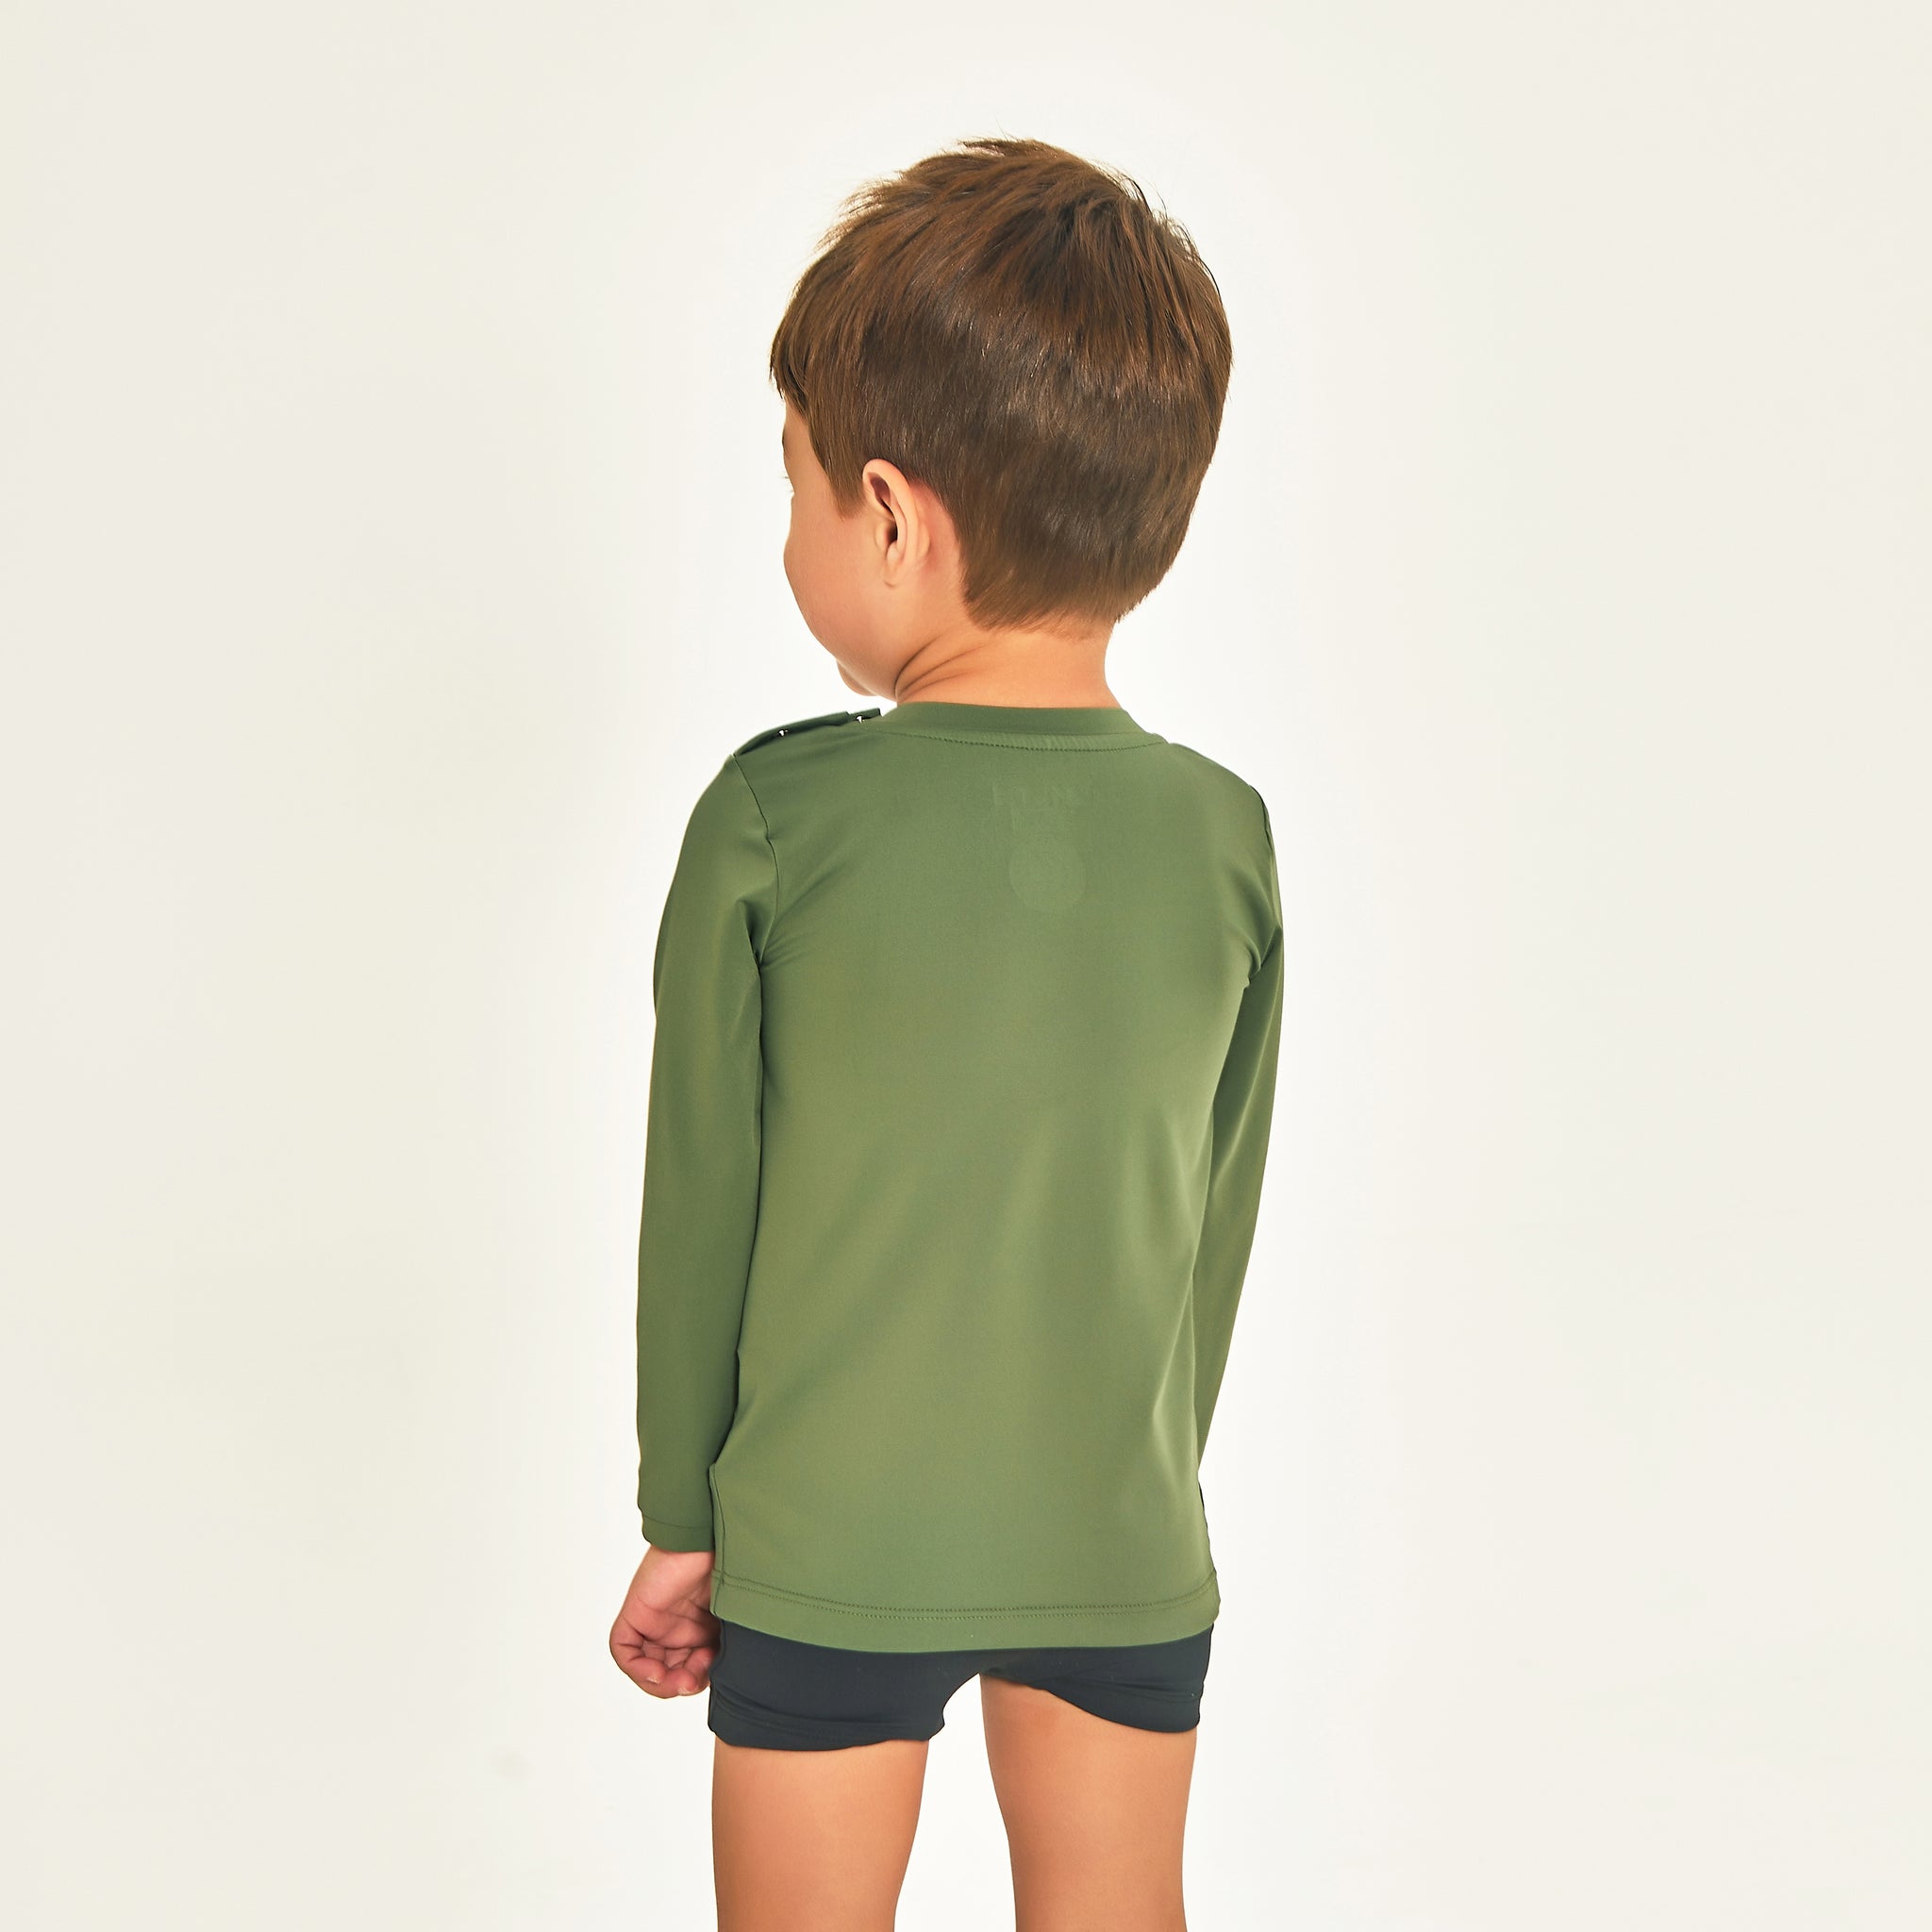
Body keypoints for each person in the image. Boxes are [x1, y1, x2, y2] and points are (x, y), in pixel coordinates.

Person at [608, 135, 1284, 1932]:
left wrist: (685, 1515)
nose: (793, 537)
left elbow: (702, 1204)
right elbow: (1210, 1223)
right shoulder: (1225, 836)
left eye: (799, 491)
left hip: (830, 1541)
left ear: (893, 518)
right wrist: (1136, 1480)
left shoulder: (775, 819)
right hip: (1113, 1531)